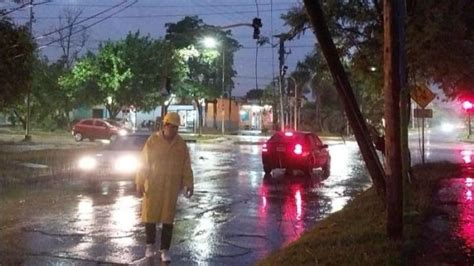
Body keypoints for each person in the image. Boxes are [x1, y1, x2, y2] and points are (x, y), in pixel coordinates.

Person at [135, 112, 194, 262]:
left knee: (168, 220)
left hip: (171, 188)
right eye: (172, 126)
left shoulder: (181, 145)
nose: (174, 130)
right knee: (150, 217)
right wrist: (140, 182)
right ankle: (149, 245)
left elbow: (186, 165)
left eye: (176, 127)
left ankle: (165, 250)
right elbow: (143, 163)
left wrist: (189, 183)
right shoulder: (153, 141)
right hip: (153, 185)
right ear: (165, 125)